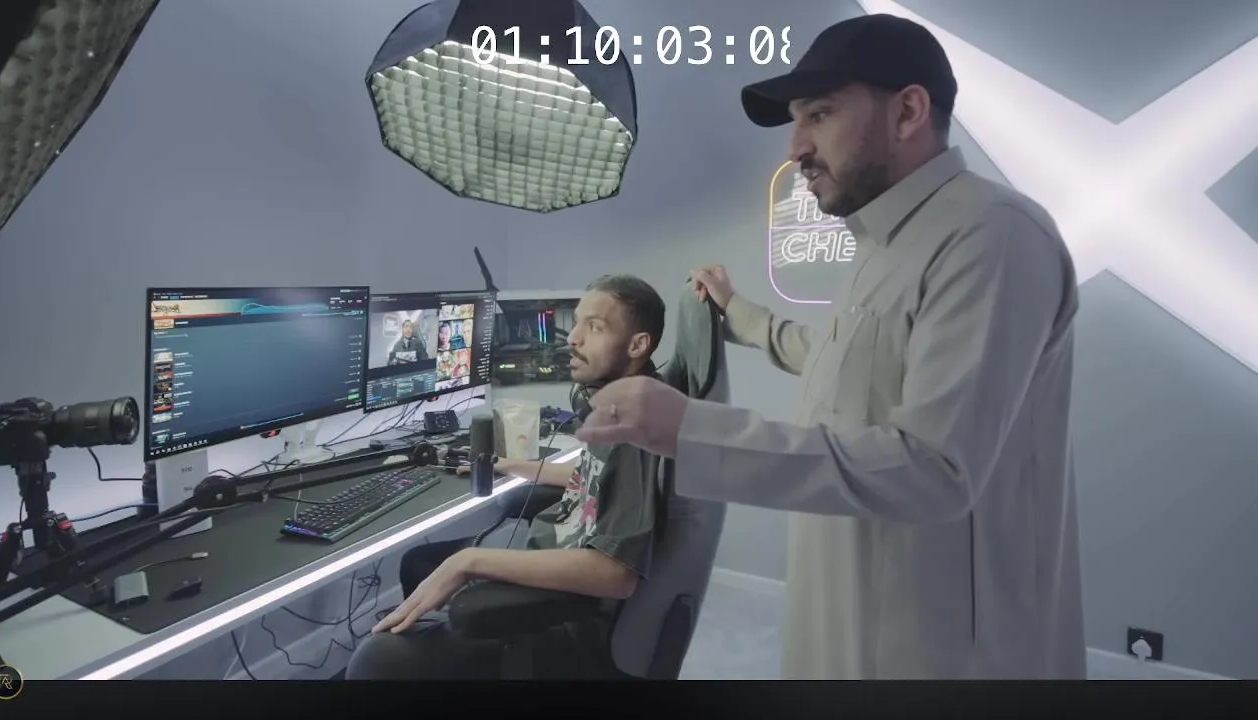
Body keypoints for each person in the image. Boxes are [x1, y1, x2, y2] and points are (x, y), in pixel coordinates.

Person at [576, 14, 1086, 680]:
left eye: (818, 115)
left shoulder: (992, 234)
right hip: (853, 623)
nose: (795, 148)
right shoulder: (886, 245)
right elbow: (839, 363)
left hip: (941, 655)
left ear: (908, 112)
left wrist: (690, 429)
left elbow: (936, 469)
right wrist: (738, 312)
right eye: (796, 122)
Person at [344, 274, 667, 680]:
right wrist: (508, 464)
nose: (573, 338)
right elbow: (595, 478)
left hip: (567, 624)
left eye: (595, 327)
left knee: (376, 660)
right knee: (419, 561)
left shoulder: (635, 429)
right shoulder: (622, 406)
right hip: (552, 555)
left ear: (637, 345)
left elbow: (616, 575)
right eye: (577, 323)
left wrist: (471, 562)